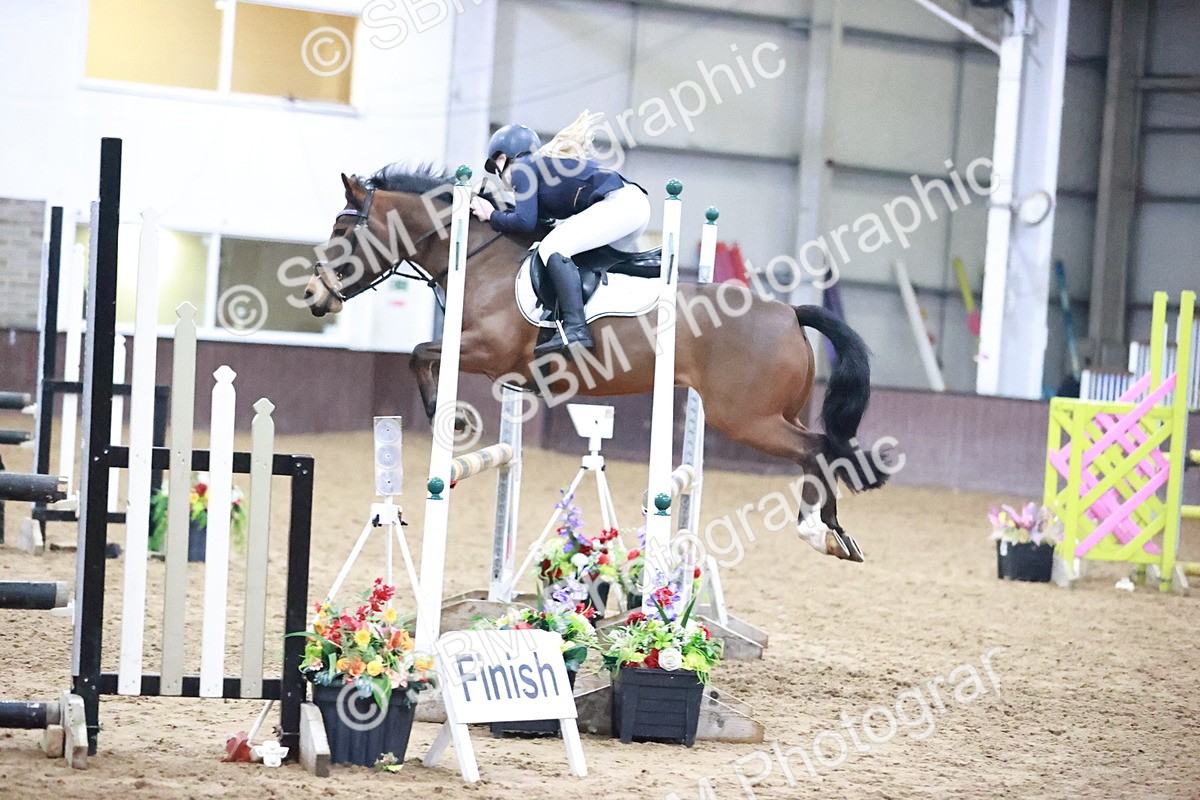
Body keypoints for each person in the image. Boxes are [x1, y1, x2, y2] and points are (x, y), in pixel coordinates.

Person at [470, 111, 651, 355]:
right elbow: (537, 224)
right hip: (631, 207)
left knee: (553, 248)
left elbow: (524, 222)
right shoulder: (540, 169)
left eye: (496, 168)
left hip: (620, 204)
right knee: (579, 256)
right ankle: (651, 266)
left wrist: (491, 215)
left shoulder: (522, 168)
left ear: (502, 158)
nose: (499, 177)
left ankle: (576, 328)